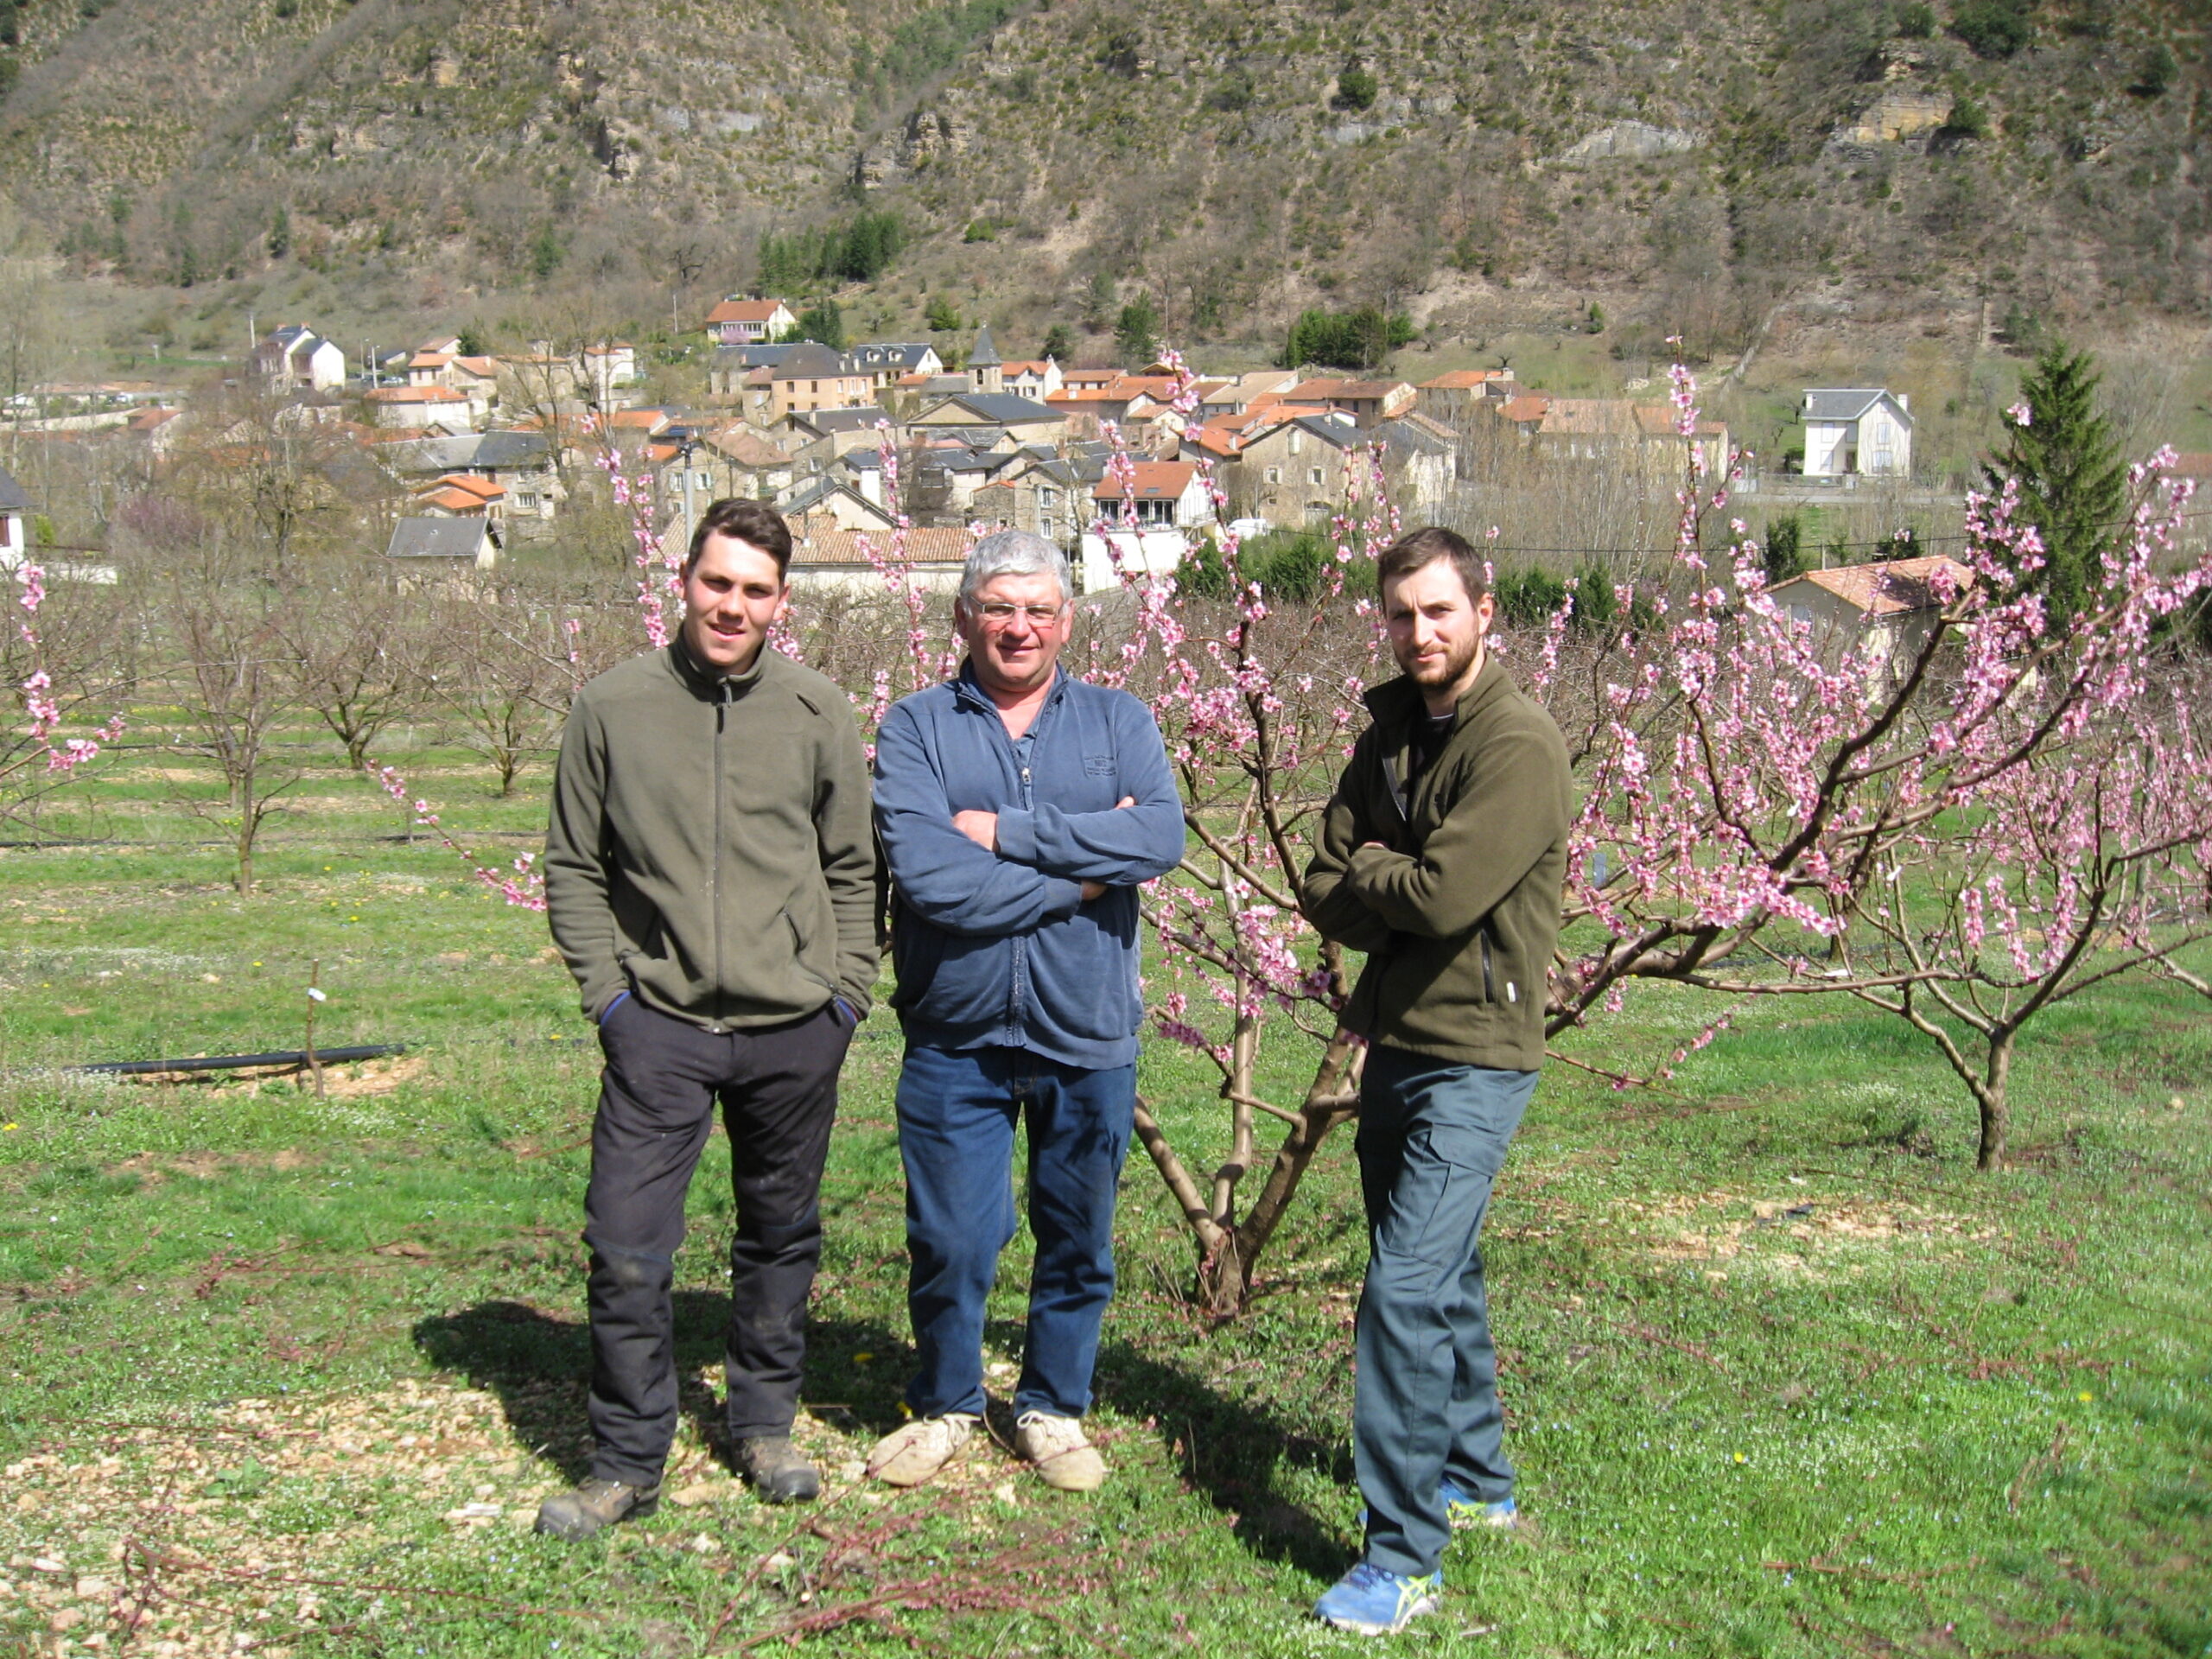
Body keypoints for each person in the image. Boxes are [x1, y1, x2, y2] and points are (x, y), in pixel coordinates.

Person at [536, 498, 879, 1540]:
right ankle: (629, 1457)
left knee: (780, 1236)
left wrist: (844, 994)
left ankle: (763, 1424)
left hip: (792, 1029)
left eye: (756, 590)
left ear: (781, 602)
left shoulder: (818, 712)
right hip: (661, 1026)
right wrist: (610, 996)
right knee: (626, 1248)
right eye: (717, 582)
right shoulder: (611, 707)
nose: (733, 606)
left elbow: (855, 866)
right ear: (681, 581)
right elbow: (571, 865)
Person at [864, 530, 1185, 1493]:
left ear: (1066, 620)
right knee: (952, 1236)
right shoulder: (915, 726)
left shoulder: (1118, 718)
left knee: (1077, 1232)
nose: (1018, 627)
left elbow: (1160, 833)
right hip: (954, 1030)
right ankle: (948, 1402)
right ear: (963, 617)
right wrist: (1080, 880)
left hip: (1085, 1029)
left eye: (1038, 609)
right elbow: (930, 880)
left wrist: (1008, 834)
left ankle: (1051, 1405)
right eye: (999, 608)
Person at [1300, 526, 1572, 1634]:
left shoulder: (1517, 744)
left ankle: (1403, 1556)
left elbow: (1445, 897)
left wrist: (1382, 876)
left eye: (1438, 612)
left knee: (1403, 1289)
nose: (1418, 632)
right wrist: (1383, 877)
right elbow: (1325, 880)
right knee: (1438, 1271)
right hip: (1398, 1039)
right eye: (1402, 613)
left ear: (1483, 611)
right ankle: (1477, 1477)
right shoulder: (1392, 730)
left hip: (1477, 1052)